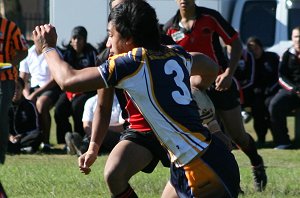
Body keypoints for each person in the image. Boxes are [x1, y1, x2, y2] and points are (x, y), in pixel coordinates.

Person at [33, 1, 241, 197]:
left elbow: (68, 80)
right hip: (206, 157)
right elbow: (209, 65)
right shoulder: (174, 52)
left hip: (199, 168)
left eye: (111, 35)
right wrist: (200, 87)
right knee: (115, 173)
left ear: (128, 39)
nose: (107, 42)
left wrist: (48, 48)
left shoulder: (133, 62)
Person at [164, 0, 267, 192]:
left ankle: (257, 163)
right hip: (194, 92)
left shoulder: (210, 17)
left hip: (221, 84)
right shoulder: (169, 28)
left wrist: (229, 73)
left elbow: (235, 43)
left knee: (238, 136)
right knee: (213, 139)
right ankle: (230, 182)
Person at [54, 26, 97, 144]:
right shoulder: (67, 54)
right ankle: (66, 141)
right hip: (69, 91)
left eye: (80, 38)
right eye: (74, 38)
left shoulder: (91, 53)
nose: (77, 41)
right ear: (71, 40)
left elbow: (94, 74)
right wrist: (70, 93)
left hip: (87, 90)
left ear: (85, 40)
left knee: (77, 106)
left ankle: (79, 138)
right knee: (59, 108)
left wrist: (79, 91)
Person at [19, 42, 62, 151]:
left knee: (41, 104)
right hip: (32, 88)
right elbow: (22, 80)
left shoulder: (53, 53)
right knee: (25, 104)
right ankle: (29, 141)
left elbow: (54, 80)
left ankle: (46, 142)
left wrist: (35, 94)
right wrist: (27, 94)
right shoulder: (28, 53)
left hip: (49, 88)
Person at [0, 17, 28, 165]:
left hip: (6, 78)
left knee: (1, 113)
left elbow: (24, 51)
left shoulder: (11, 28)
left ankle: (2, 153)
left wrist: (9, 64)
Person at [269, 26, 300, 149]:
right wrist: (294, 90)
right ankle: (283, 141)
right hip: (291, 91)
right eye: (296, 36)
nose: (298, 39)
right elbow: (281, 77)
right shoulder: (286, 54)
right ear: (292, 38)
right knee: (275, 104)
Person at [246, 36, 280, 146]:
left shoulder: (272, 57)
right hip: (257, 93)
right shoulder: (249, 61)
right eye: (251, 49)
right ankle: (261, 138)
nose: (254, 52)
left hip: (273, 91)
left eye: (256, 48)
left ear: (261, 47)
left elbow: (278, 76)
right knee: (257, 108)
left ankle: (277, 137)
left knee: (271, 107)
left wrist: (271, 89)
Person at [7, 77, 42, 153]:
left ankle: (14, 149)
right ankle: (22, 149)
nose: (15, 91)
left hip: (23, 138)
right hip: (8, 138)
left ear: (22, 89)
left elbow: (36, 128)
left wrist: (21, 136)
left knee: (38, 134)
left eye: (18, 88)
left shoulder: (29, 106)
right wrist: (9, 136)